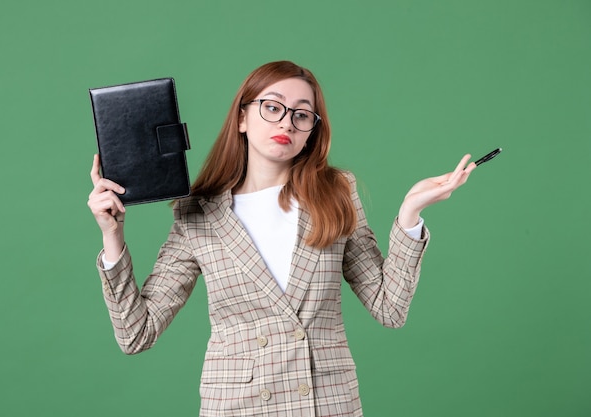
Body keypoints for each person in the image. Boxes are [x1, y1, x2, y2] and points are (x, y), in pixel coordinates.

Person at [88, 60, 476, 417]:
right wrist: (113, 235)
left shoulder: (337, 192)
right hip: (238, 406)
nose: (286, 123)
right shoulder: (197, 213)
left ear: (312, 131)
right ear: (242, 117)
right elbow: (136, 334)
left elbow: (389, 309)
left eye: (302, 115)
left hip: (327, 404)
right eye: (272, 107)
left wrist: (410, 214)